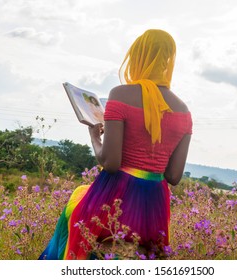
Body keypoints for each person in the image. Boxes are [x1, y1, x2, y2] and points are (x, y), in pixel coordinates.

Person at [39, 29, 193, 260]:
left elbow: (110, 163)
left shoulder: (120, 94)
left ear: (138, 56)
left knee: (73, 214)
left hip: (115, 195)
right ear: (169, 60)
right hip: (154, 205)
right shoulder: (184, 111)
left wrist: (95, 137)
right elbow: (173, 176)